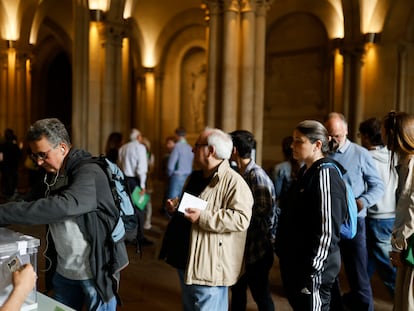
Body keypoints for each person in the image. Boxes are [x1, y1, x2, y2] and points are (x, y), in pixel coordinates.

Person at [0, 118, 128, 311]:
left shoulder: (90, 172)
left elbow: (63, 207)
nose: (39, 162)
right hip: (64, 271)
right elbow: (28, 202)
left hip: (94, 273)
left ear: (61, 147)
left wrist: (2, 214)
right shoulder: (52, 174)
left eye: (43, 155)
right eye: (35, 156)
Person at [160, 127, 253, 311]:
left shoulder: (234, 182)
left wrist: (203, 217)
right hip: (186, 257)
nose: (192, 150)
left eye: (197, 146)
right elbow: (195, 203)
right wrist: (176, 206)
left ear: (210, 150)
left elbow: (241, 218)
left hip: (208, 263)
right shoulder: (196, 176)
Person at [275, 120, 348, 311]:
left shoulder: (325, 174)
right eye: (293, 140)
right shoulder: (307, 171)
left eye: (299, 141)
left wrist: (312, 269)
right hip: (297, 264)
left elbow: (327, 230)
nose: (292, 145)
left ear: (317, 145)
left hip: (313, 269)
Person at [324, 112, 384, 311]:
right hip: (329, 221)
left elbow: (378, 186)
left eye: (337, 136)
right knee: (329, 272)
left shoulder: (361, 154)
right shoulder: (323, 153)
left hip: (354, 222)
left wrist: (361, 202)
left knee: (358, 274)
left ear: (347, 131)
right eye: (329, 135)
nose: (332, 140)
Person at [229, 129, 276, 311]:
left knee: (261, 295)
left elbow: (263, 213)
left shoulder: (256, 175)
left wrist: (233, 217)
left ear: (234, 150)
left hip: (257, 249)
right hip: (244, 247)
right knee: (238, 290)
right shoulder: (240, 173)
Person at [359, 117, 397, 297]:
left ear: (366, 136)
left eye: (360, 135)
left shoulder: (365, 157)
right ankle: (360, 294)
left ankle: (401, 297)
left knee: (385, 265)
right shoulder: (392, 155)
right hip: (392, 213)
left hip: (376, 216)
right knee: (368, 259)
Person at [384, 111, 414, 310]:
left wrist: (398, 245)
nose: (383, 136)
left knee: (408, 299)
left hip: (411, 241)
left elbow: (410, 206)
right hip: (409, 239)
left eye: (384, 131)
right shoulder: (405, 161)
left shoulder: (411, 162)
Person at [118, 128, 152, 246]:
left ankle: (127, 235)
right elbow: (141, 168)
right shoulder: (140, 147)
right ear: (138, 137)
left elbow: (120, 164)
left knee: (126, 207)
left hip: (124, 180)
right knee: (140, 208)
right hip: (136, 180)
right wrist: (142, 185)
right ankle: (139, 236)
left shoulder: (123, 148)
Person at [166, 127, 194, 201]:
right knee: (182, 201)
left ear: (176, 135)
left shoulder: (177, 146)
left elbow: (171, 164)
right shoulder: (189, 147)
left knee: (172, 201)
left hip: (177, 176)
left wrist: (169, 174)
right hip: (188, 177)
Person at [0, 128, 23, 200]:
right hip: (13, 166)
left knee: (5, 179)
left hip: (5, 166)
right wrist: (20, 147)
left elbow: (0, 158)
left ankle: (6, 194)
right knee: (13, 180)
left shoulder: (2, 145)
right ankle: (11, 194)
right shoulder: (14, 146)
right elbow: (19, 155)